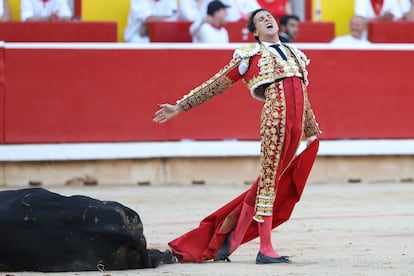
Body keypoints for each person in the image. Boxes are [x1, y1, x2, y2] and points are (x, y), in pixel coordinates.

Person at [154, 8, 320, 264]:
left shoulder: (296, 54)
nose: (267, 20)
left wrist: (311, 129)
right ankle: (265, 248)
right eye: (260, 20)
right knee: (268, 181)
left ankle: (231, 240)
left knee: (268, 181)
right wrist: (181, 106)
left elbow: (302, 94)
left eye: (270, 17)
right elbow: (218, 83)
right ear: (254, 32)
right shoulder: (249, 54)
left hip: (295, 125)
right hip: (275, 120)